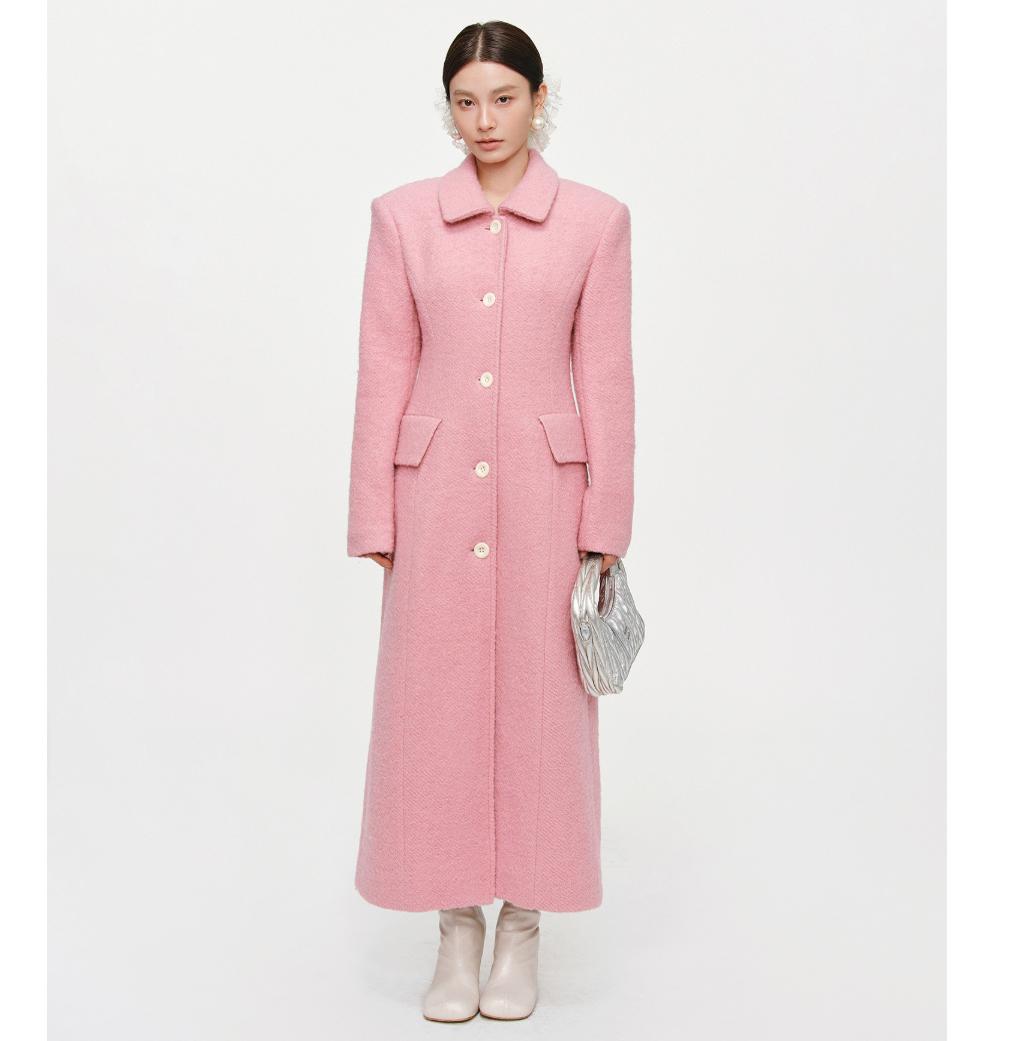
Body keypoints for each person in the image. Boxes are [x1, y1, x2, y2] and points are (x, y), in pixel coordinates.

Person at [346, 20, 636, 1022]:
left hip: (548, 498)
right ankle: (454, 927)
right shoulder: (401, 218)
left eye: (503, 99)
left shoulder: (596, 221)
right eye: (465, 101)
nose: (484, 120)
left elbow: (607, 378)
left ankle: (522, 928)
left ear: (538, 100)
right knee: (432, 705)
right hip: (431, 498)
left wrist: (606, 520)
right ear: (449, 108)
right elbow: (384, 366)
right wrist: (373, 512)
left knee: (545, 706)